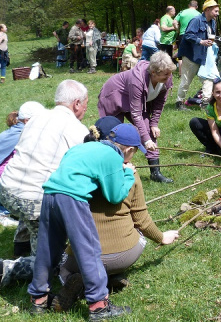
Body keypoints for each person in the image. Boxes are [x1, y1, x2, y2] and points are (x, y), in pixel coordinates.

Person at [0, 80, 89, 303]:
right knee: (51, 259)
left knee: (32, 195)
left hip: (5, 189)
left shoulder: (36, 118)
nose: (85, 110)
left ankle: (21, 243)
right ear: (76, 103)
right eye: (85, 105)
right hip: (31, 199)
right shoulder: (77, 130)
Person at [52, 120, 180, 313]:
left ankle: (81, 282)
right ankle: (107, 277)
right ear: (128, 150)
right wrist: (162, 237)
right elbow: (141, 219)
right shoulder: (131, 172)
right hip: (122, 254)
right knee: (137, 232)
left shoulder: (86, 168)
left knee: (65, 270)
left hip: (82, 249)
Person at [27, 123, 148, 318]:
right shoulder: (113, 156)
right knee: (89, 250)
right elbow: (115, 195)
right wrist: (127, 173)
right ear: (129, 150)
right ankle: (99, 305)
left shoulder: (82, 147)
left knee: (47, 249)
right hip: (72, 199)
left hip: (50, 193)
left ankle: (38, 299)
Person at [97, 51, 176, 183]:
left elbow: (159, 103)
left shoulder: (167, 77)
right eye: (165, 74)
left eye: (170, 73)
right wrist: (145, 140)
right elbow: (136, 114)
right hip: (114, 96)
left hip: (133, 101)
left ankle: (155, 172)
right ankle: (110, 171)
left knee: (149, 131)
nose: (169, 76)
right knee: (113, 134)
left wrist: (154, 124)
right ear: (153, 73)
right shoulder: (137, 80)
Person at [0, 102, 46, 227]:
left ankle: (1, 203)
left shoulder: (14, 130)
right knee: (34, 182)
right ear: (27, 121)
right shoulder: (23, 136)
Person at [175, 0, 219, 110]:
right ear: (207, 10)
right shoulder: (196, 20)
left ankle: (205, 103)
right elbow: (188, 35)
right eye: (216, 11)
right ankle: (179, 102)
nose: (217, 14)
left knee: (208, 78)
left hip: (204, 55)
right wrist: (201, 41)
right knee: (186, 80)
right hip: (191, 55)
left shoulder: (213, 22)